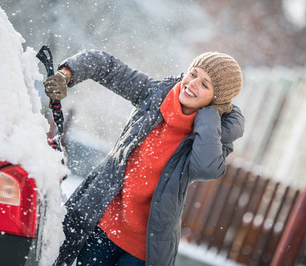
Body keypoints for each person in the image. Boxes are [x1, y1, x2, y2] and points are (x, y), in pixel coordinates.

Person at [43, 50, 245, 266]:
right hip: (103, 228)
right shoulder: (154, 96)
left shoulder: (213, 137)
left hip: (144, 248)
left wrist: (207, 117)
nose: (193, 83)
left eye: (205, 84)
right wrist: (68, 73)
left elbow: (205, 168)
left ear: (216, 101)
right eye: (193, 73)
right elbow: (106, 66)